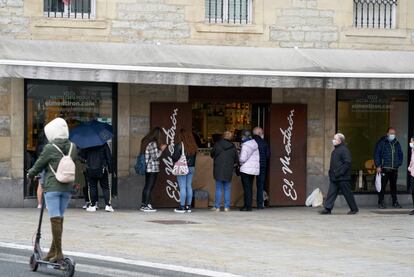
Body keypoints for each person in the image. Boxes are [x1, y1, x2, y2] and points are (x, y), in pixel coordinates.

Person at [27, 117, 77, 262]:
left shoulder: (49, 148)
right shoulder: (73, 147)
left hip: (52, 187)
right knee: (59, 219)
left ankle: (59, 252)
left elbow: (39, 164)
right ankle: (52, 251)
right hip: (67, 188)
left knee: (55, 219)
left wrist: (30, 174)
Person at [320, 133, 359, 215]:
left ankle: (354, 209)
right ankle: (327, 208)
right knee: (331, 193)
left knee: (347, 193)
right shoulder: (336, 150)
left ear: (340, 141)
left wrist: (339, 173)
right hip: (335, 177)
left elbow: (347, 163)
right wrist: (332, 173)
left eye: (335, 139)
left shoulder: (344, 150)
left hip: (342, 177)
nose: (333, 140)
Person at [374, 127, 403, 209]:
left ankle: (395, 202)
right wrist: (378, 165)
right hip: (384, 168)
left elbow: (400, 154)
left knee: (394, 187)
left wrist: (399, 163)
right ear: (387, 134)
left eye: (394, 133)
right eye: (391, 133)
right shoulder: (382, 142)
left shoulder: (397, 143)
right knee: (382, 186)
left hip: (394, 169)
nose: (392, 135)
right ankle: (380, 202)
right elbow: (377, 154)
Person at [80, 143, 114, 212]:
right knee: (105, 187)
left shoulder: (87, 144)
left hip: (90, 169)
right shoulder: (104, 144)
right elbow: (109, 157)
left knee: (92, 187)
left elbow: (82, 156)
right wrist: (110, 169)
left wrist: (86, 160)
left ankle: (93, 205)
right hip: (102, 169)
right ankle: (108, 205)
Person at [140, 127, 167, 212]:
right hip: (152, 168)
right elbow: (155, 156)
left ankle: (144, 204)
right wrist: (161, 150)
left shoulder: (147, 142)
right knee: (149, 186)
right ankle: (146, 205)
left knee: (147, 186)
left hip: (149, 168)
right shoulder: (153, 144)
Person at [210, 131, 238, 212]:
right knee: (227, 188)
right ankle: (226, 207)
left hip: (218, 169)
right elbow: (236, 159)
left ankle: (217, 207)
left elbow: (212, 154)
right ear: (231, 138)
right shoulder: (233, 147)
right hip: (228, 170)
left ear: (223, 136)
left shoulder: (217, 144)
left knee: (218, 188)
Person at [172, 129, 198, 213]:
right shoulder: (193, 145)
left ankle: (182, 206)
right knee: (189, 186)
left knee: (182, 187)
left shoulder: (179, 145)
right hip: (191, 168)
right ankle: (188, 206)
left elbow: (175, 157)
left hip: (183, 168)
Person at [239, 130, 260, 212]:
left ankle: (247, 206)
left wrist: (239, 162)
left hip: (246, 169)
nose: (241, 138)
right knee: (249, 188)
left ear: (244, 136)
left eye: (242, 136)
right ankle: (248, 205)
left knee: (246, 188)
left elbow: (243, 158)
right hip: (253, 169)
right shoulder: (254, 144)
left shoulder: (246, 146)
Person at [252, 127, 270, 209]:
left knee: (249, 185)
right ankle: (259, 204)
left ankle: (248, 204)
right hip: (262, 166)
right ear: (259, 133)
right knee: (260, 185)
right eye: (262, 132)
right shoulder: (264, 142)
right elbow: (268, 155)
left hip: (252, 165)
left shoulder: (250, 142)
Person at [408, 136, 414, 215]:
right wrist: (409, 167)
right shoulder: (412, 150)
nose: (411, 143)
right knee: (413, 190)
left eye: (412, 141)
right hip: (412, 173)